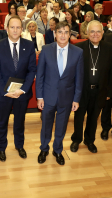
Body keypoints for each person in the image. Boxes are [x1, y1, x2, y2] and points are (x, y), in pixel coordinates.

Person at [36, 21, 84, 165]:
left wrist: (76, 99)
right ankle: (44, 148)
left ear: (70, 34)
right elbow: (40, 76)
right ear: (54, 34)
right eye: (60, 32)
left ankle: (57, 150)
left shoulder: (78, 52)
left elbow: (79, 78)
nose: (63, 35)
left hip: (67, 97)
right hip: (48, 96)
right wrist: (39, 96)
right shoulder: (45, 49)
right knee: (46, 125)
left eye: (66, 32)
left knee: (62, 126)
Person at [0, 16, 36, 162]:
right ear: (7, 28)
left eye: (18, 27)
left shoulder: (29, 45)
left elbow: (31, 70)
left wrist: (22, 90)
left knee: (19, 121)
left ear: (22, 30)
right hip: (4, 93)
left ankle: (19, 145)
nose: (15, 30)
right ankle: (2, 148)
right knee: (2, 122)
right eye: (12, 27)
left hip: (21, 93)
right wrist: (6, 91)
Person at [70, 20, 112, 154]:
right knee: (79, 117)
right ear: (87, 33)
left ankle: (89, 140)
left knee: (93, 117)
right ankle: (76, 139)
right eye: (92, 31)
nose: (95, 34)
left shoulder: (110, 49)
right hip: (82, 91)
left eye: (98, 31)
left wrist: (109, 92)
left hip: (100, 91)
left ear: (102, 33)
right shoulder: (79, 48)